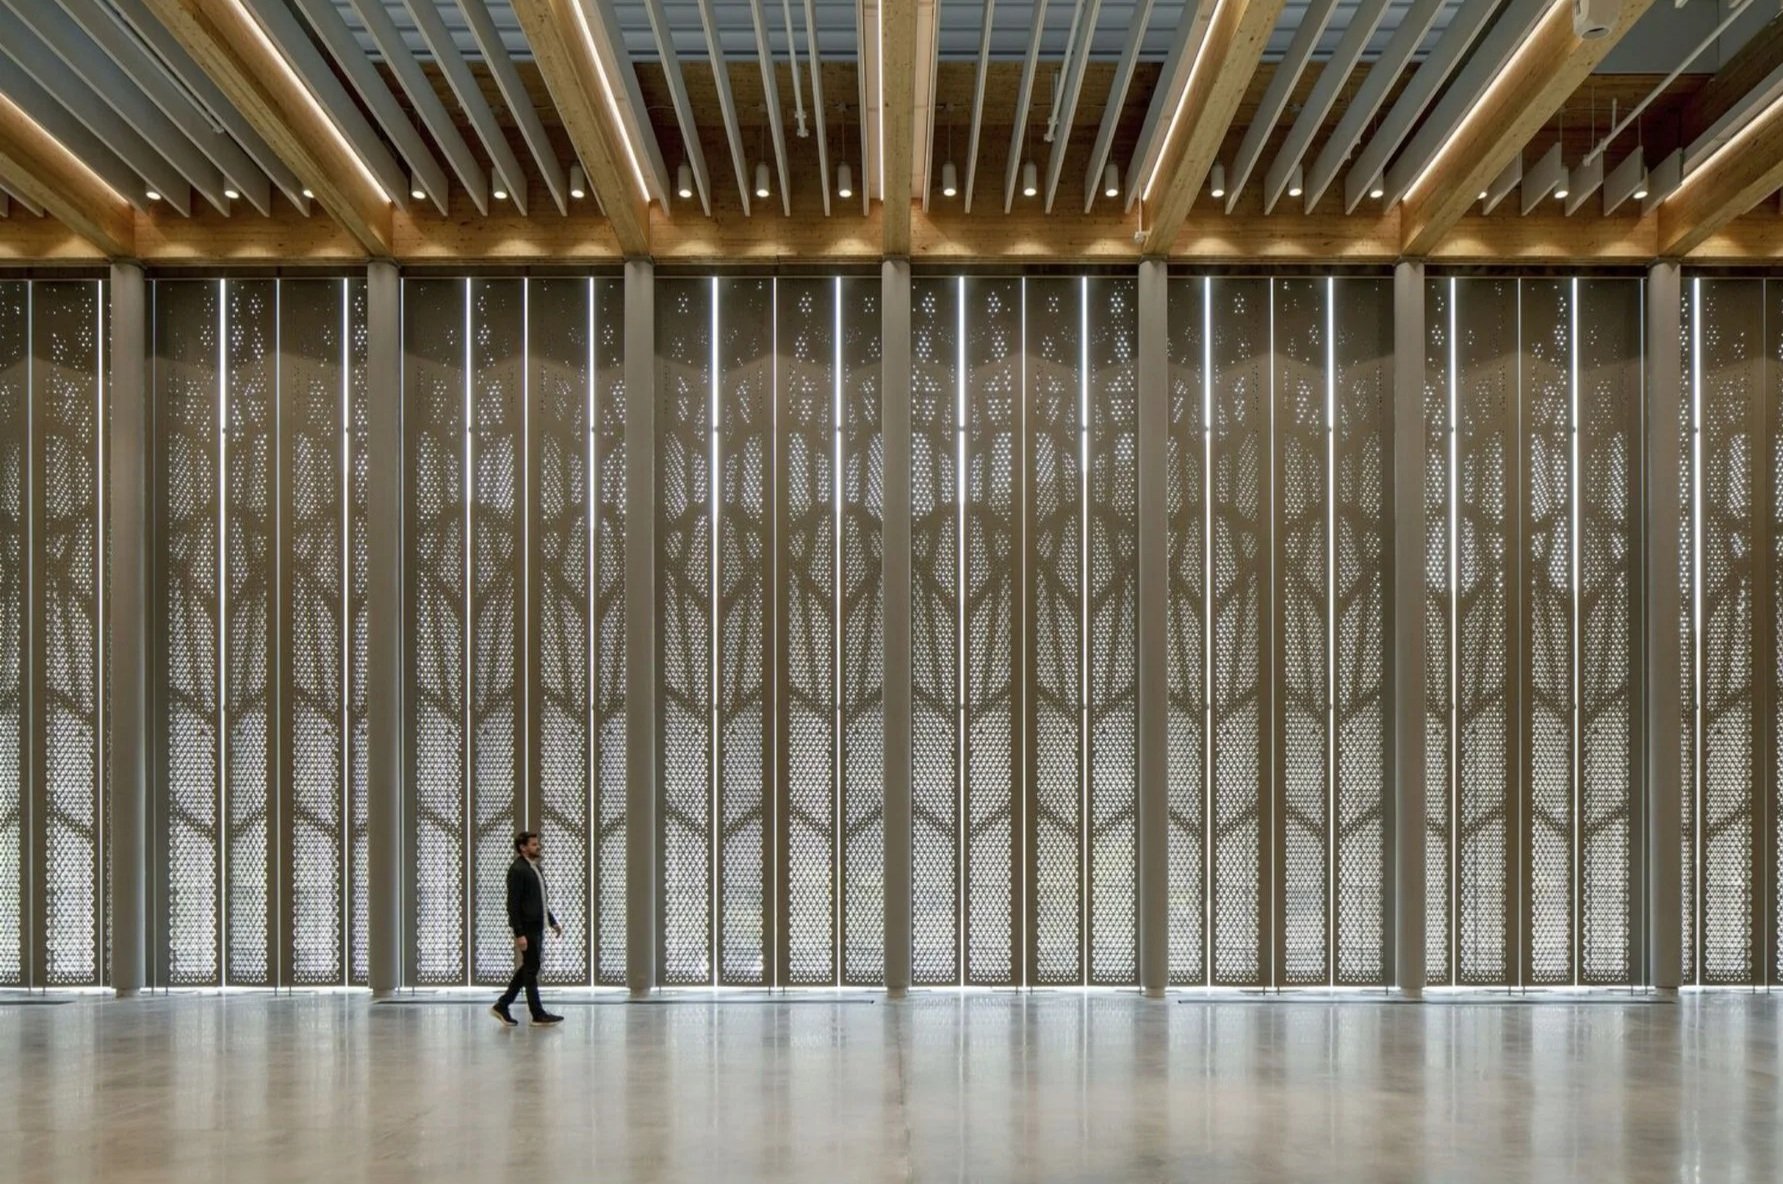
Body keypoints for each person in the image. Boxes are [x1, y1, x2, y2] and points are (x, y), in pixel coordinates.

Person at [491, 831, 564, 1027]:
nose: (537, 846)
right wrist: (519, 933)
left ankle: (503, 1004)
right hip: (527, 927)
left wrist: (552, 921)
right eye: (533, 844)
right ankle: (537, 1014)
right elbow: (512, 905)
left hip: (537, 925)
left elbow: (540, 900)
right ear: (523, 847)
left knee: (529, 967)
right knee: (531, 968)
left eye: (537, 843)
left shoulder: (535, 869)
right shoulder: (517, 870)